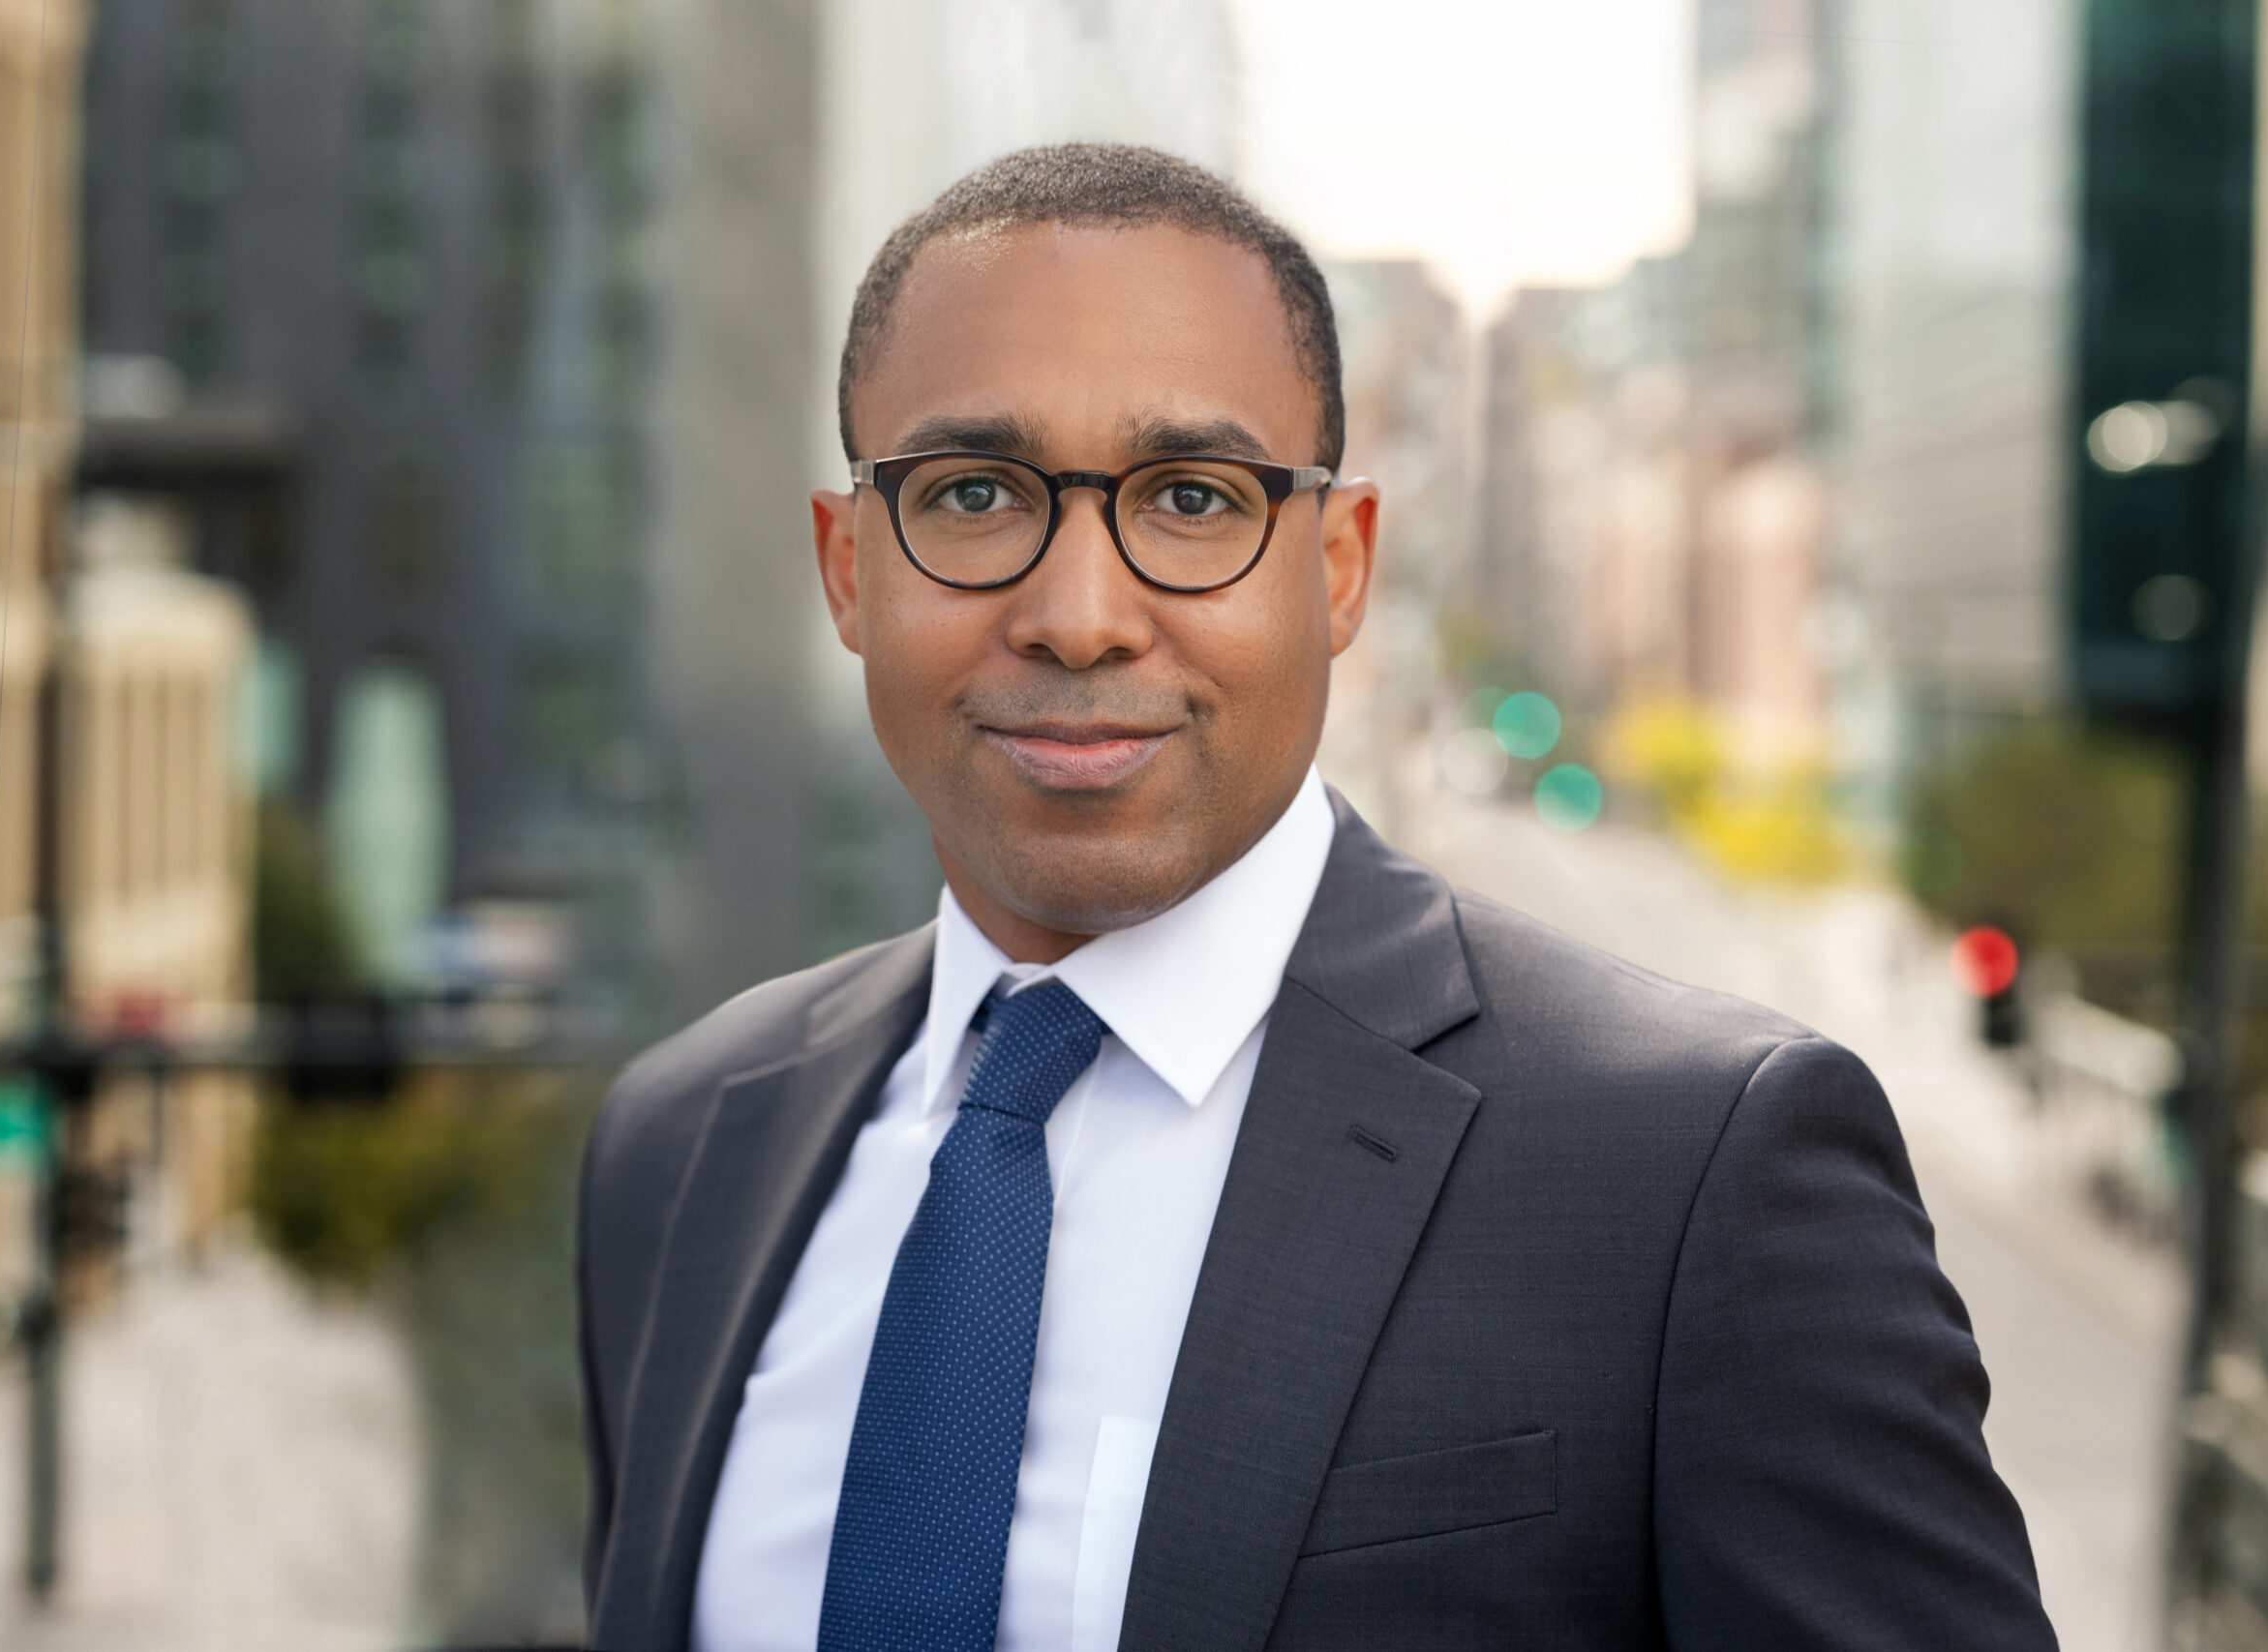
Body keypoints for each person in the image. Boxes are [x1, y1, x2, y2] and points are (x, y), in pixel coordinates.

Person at [578, 143, 2056, 1652]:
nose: (1080, 615)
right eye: (970, 493)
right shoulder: (682, 1144)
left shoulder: (1701, 1171)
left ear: (1341, 570)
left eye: (1194, 498)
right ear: (847, 569)